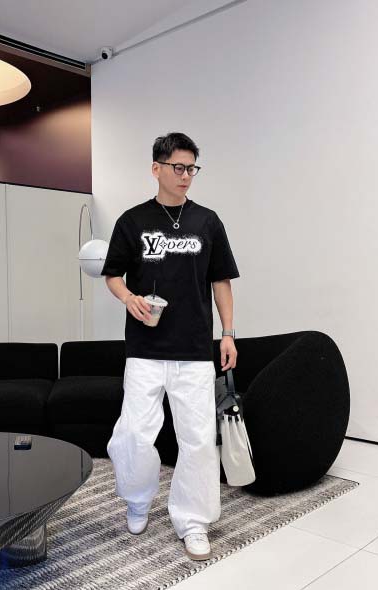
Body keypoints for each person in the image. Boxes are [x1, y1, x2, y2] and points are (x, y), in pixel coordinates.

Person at [102, 132, 240, 561]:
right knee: (134, 435)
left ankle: (193, 520)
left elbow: (221, 281)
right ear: (156, 168)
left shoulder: (208, 222)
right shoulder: (132, 221)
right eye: (178, 167)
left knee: (197, 438)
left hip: (194, 349)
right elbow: (112, 274)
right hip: (145, 348)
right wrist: (129, 298)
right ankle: (137, 500)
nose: (185, 176)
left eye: (191, 168)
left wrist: (228, 333)